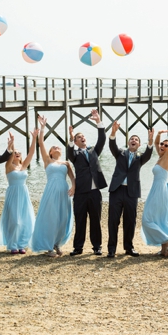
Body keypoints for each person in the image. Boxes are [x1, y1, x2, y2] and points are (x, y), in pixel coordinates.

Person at [107, 121, 154, 258]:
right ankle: (111, 249)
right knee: (113, 220)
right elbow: (112, 145)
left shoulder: (140, 157)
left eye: (136, 140)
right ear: (128, 142)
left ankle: (129, 247)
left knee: (130, 220)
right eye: (132, 139)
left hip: (131, 192)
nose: (134, 140)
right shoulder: (120, 153)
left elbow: (149, 153)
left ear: (139, 144)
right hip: (116, 190)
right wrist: (114, 132)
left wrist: (150, 140)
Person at [31, 115, 76, 257]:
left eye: (58, 147)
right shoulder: (47, 161)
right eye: (54, 147)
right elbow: (41, 143)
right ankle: (48, 246)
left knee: (62, 217)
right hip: (51, 191)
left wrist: (73, 187)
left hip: (63, 191)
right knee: (51, 217)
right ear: (50, 152)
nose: (56, 147)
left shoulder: (66, 163)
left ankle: (57, 243)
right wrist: (43, 128)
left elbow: (72, 177)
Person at [67, 109, 108, 256]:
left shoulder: (94, 151)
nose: (82, 137)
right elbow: (69, 152)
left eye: (83, 136)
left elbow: (102, 139)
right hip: (80, 193)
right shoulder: (75, 154)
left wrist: (98, 122)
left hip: (95, 192)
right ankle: (78, 248)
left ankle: (97, 247)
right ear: (76, 141)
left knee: (96, 220)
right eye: (79, 137)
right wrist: (71, 138)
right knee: (80, 220)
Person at [141, 116, 168, 257]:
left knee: (148, 219)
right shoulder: (160, 156)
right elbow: (157, 143)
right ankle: (164, 247)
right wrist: (158, 134)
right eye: (162, 145)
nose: (163, 146)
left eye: (166, 146)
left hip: (161, 191)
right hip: (156, 190)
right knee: (156, 219)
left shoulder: (166, 157)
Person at [0, 128, 39, 255]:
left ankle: (21, 244)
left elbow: (31, 153)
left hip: (24, 194)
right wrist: (12, 143)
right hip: (13, 194)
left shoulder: (23, 166)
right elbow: (10, 155)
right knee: (15, 220)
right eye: (15, 152)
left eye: (19, 152)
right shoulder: (9, 166)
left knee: (25, 220)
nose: (17, 153)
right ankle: (12, 244)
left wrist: (34, 138)